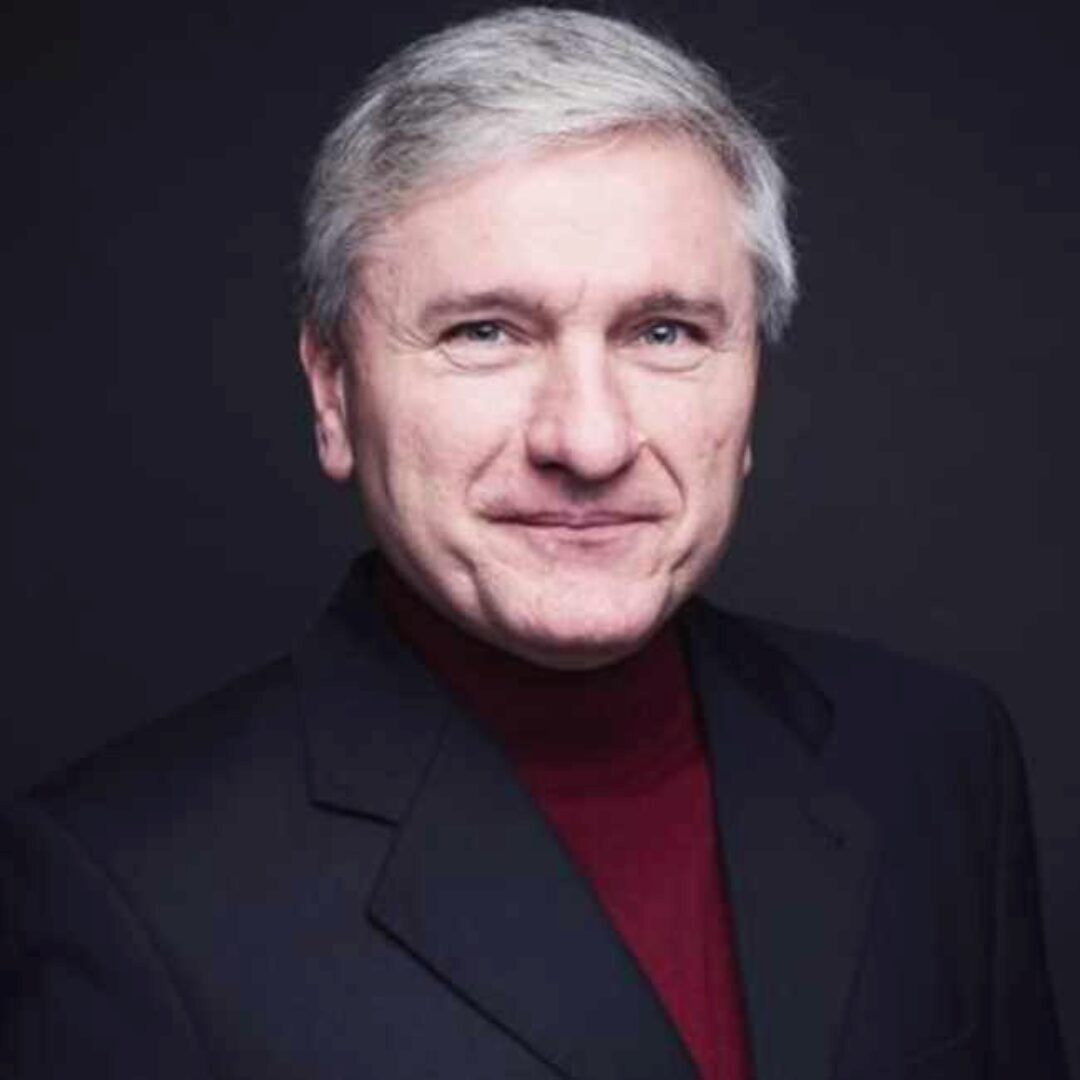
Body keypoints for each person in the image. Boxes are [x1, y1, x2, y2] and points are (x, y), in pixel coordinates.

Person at [1, 7, 1067, 1079]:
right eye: (485, 333)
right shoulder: (125, 889)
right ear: (333, 392)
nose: (588, 440)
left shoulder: (935, 761)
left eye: (665, 332)